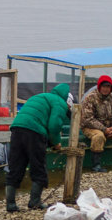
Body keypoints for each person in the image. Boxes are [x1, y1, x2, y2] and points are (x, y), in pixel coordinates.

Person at [5, 83, 70, 212]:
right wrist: (56, 143)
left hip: (17, 129)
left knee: (16, 166)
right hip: (34, 132)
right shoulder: (60, 102)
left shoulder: (40, 96)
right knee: (38, 166)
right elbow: (54, 125)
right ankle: (34, 201)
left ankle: (10, 204)